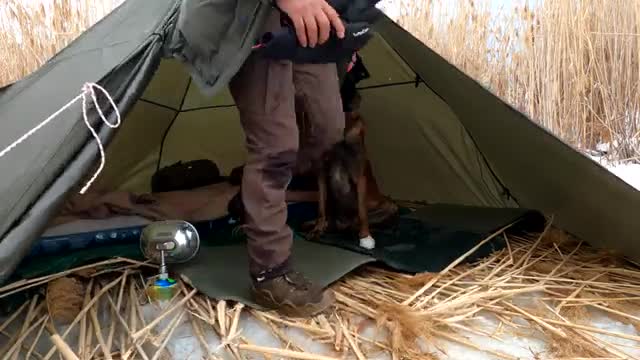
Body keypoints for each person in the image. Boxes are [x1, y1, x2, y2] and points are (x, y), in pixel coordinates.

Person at [227, 0, 349, 317]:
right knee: (275, 146)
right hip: (251, 13)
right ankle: (270, 273)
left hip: (311, 19)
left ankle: (253, 203)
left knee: (329, 128)